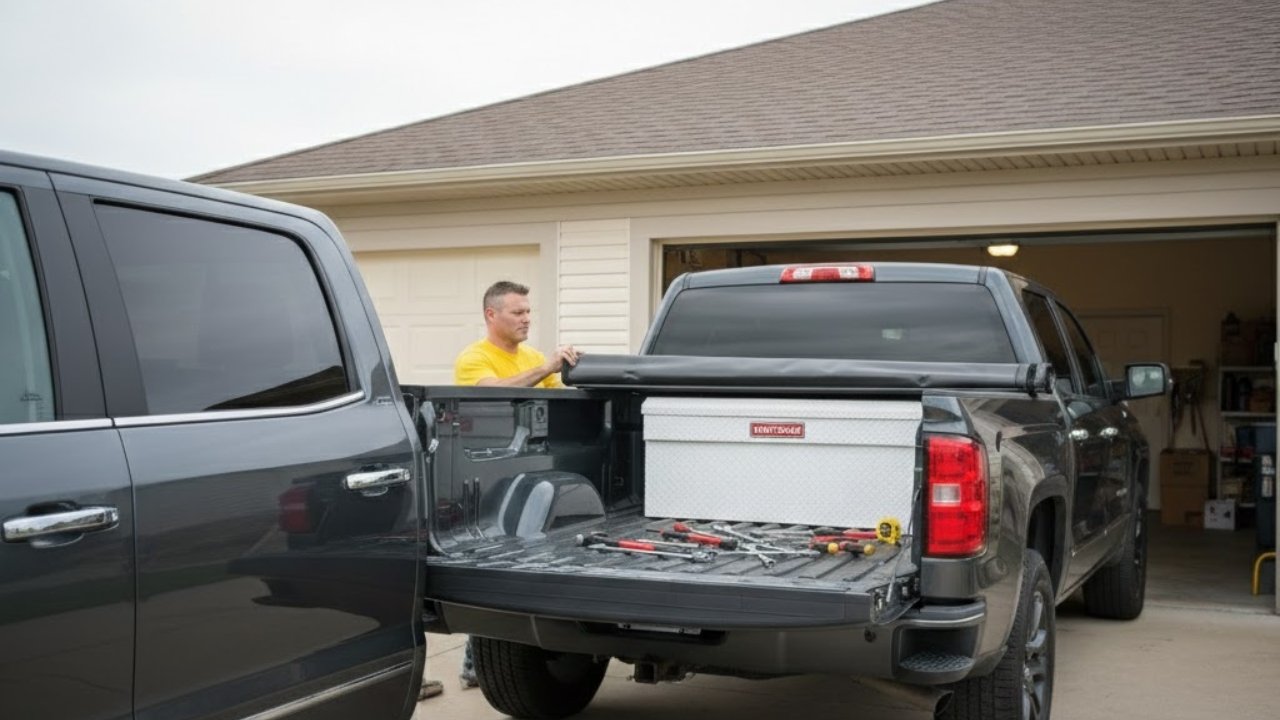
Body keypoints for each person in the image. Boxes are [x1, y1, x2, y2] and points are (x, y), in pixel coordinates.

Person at [452, 280, 580, 688]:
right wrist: (546, 367)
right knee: (490, 563)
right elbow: (490, 394)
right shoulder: (474, 358)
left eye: (529, 312)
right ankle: (476, 661)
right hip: (484, 475)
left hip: (528, 470)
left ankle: (485, 660)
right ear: (492, 315)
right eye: (518, 312)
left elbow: (559, 402)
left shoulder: (531, 356)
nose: (527, 319)